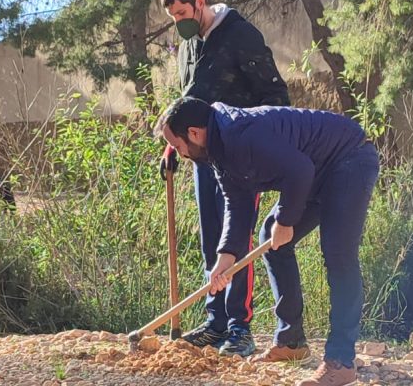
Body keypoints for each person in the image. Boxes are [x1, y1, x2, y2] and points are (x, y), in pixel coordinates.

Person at [156, 98, 380, 386]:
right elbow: (237, 204)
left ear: (194, 133)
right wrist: (225, 257)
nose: (180, 154)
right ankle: (291, 341)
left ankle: (341, 361)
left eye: (177, 146)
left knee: (339, 255)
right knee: (270, 240)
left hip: (349, 159)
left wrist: (286, 221)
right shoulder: (218, 150)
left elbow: (299, 170)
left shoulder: (239, 135)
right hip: (315, 171)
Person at [158, 0, 290, 357]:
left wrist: (259, 145)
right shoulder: (189, 46)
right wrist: (173, 143)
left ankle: (239, 328)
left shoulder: (241, 35)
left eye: (182, 14)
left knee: (237, 238)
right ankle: (215, 323)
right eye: (173, 18)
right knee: (212, 240)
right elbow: (188, 102)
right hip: (204, 158)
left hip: (240, 157)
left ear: (200, 2)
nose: (179, 23)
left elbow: (276, 96)